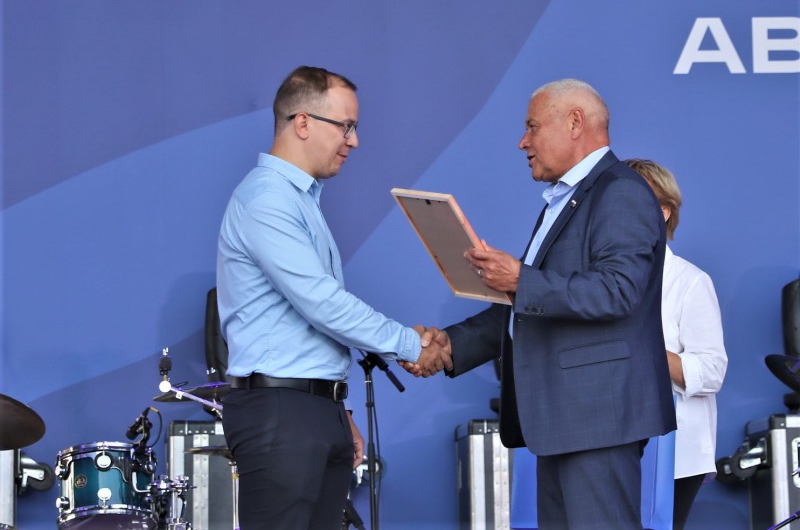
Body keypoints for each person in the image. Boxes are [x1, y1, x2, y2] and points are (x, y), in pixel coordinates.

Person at [408, 79, 677, 529]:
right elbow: (530, 303)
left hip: (598, 419)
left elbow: (617, 291)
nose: (523, 141)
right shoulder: (568, 198)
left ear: (575, 122)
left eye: (532, 126)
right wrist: (452, 346)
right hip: (564, 421)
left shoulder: (620, 191)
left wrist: (520, 278)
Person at [216, 65, 451, 530]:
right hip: (281, 415)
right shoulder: (267, 199)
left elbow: (303, 325)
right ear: (303, 122)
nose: (354, 141)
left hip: (309, 410)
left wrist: (335, 408)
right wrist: (411, 344)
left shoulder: (300, 200)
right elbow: (321, 303)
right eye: (346, 126)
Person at [626, 158, 728, 530]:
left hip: (675, 451)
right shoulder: (594, 279)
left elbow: (712, 370)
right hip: (607, 439)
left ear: (664, 212)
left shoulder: (690, 282)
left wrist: (643, 348)